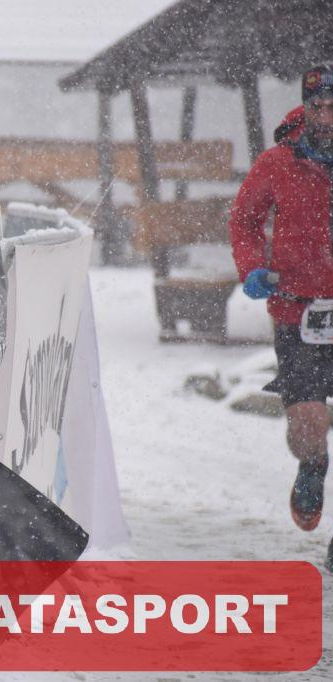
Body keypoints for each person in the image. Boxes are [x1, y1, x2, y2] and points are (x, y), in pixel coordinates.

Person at [229, 65, 333, 560]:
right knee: (308, 424)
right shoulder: (278, 162)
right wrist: (253, 267)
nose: (327, 117)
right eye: (319, 107)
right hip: (298, 310)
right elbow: (244, 219)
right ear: (306, 110)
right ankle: (313, 464)